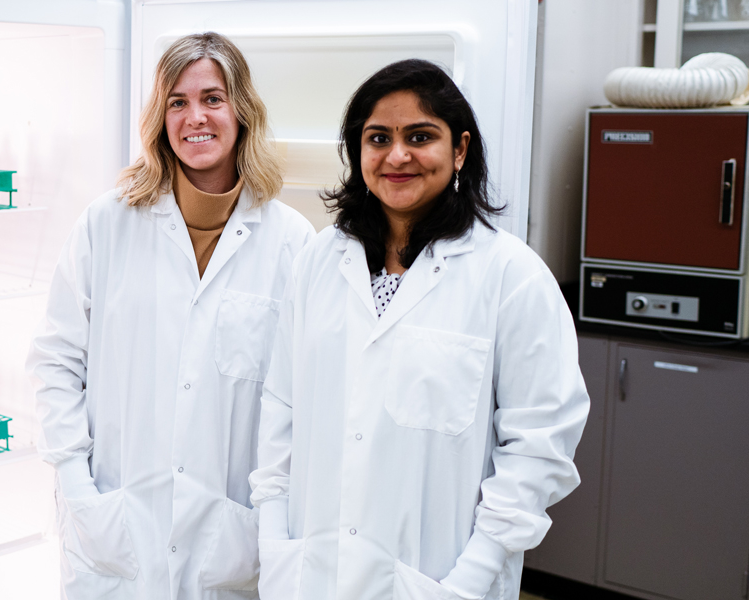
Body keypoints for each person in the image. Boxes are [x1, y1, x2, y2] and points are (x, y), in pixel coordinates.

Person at [249, 59, 589, 600]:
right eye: (378, 137)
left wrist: (469, 581)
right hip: (309, 574)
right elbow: (281, 410)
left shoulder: (511, 276)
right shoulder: (319, 260)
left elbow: (538, 451)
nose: (397, 155)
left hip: (441, 580)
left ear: (459, 150)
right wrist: (273, 544)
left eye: (420, 136)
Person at [28, 32, 315, 599]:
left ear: (242, 110)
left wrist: (276, 519)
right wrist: (75, 483)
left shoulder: (291, 243)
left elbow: (297, 402)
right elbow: (56, 361)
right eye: (177, 102)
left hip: (229, 536)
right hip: (114, 520)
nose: (195, 117)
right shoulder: (105, 224)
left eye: (212, 98)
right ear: (161, 117)